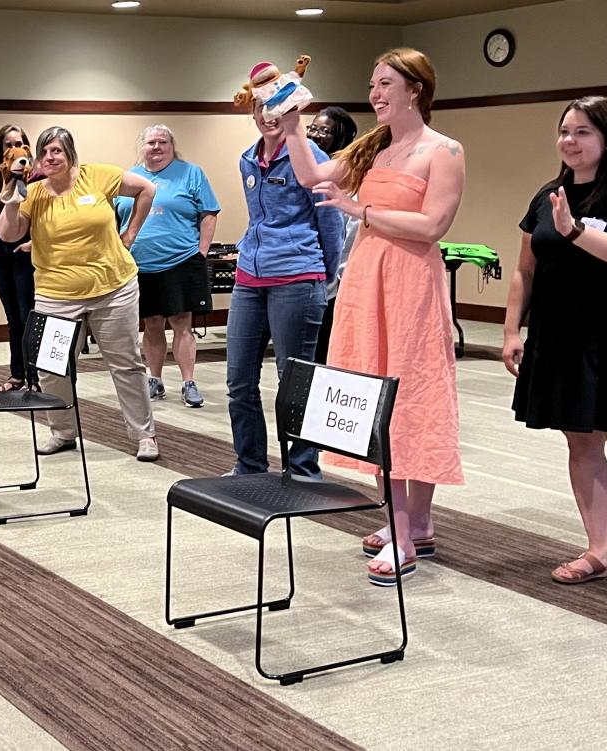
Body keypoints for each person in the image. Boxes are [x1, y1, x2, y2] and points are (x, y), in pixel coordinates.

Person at [281, 48, 466, 586]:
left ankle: (404, 534)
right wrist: (292, 125)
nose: (375, 94)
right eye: (371, 84)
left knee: (412, 396)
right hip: (368, 279)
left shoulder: (444, 150)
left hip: (410, 283)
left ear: (416, 89)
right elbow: (314, 173)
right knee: (377, 392)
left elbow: (432, 226)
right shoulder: (373, 145)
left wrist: (358, 209)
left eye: (385, 83)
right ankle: (415, 524)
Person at [502, 96, 607, 623]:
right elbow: (525, 269)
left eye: (583, 132)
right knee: (580, 445)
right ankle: (600, 552)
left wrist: (579, 231)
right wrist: (513, 328)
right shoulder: (549, 195)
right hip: (561, 341)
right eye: (565, 131)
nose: (570, 140)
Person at [0, 126, 161, 461]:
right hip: (57, 294)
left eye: (56, 150)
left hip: (113, 289)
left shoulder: (96, 176)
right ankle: (62, 432)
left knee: (126, 364)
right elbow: (8, 233)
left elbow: (147, 189)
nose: (50, 157)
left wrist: (129, 235)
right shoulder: (34, 191)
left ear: (70, 152)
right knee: (51, 367)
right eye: (44, 152)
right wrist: (13, 199)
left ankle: (145, 435)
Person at [226, 84, 343, 479]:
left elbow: (330, 221)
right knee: (239, 380)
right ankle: (250, 465)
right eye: (260, 107)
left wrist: (323, 276)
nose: (267, 115)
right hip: (249, 278)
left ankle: (303, 469)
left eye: (276, 107)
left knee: (294, 379)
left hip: (298, 276)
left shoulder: (313, 158)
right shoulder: (247, 159)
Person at [115, 124, 220, 408]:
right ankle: (155, 379)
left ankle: (188, 382)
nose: (157, 147)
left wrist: (201, 252)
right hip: (139, 264)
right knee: (151, 324)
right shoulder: (128, 177)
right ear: (142, 147)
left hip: (181, 260)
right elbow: (114, 218)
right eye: (151, 143)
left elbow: (209, 213)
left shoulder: (191, 173)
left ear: (172, 146)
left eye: (163, 142)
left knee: (182, 323)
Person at [0, 124, 38, 392]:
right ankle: (16, 374)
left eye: (19, 142)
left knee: (27, 313)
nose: (14, 148)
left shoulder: (35, 176)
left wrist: (34, 242)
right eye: (8, 144)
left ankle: (34, 377)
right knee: (11, 315)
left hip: (23, 249)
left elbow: (40, 215)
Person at [305, 107, 360, 363]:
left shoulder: (351, 175)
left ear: (342, 136)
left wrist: (338, 277)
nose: (315, 135)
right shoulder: (304, 169)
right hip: (306, 275)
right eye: (312, 128)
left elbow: (350, 233)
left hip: (336, 281)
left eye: (323, 131)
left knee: (329, 353)